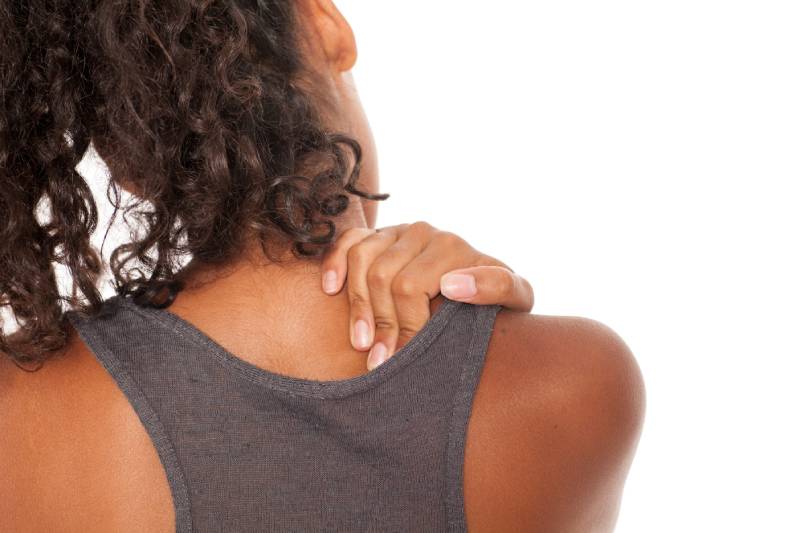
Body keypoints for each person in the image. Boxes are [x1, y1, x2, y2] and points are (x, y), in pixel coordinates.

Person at [0, 1, 645, 531]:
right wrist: (485, 330)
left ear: (128, 156)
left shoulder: (22, 418)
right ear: (326, 24)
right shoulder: (579, 384)